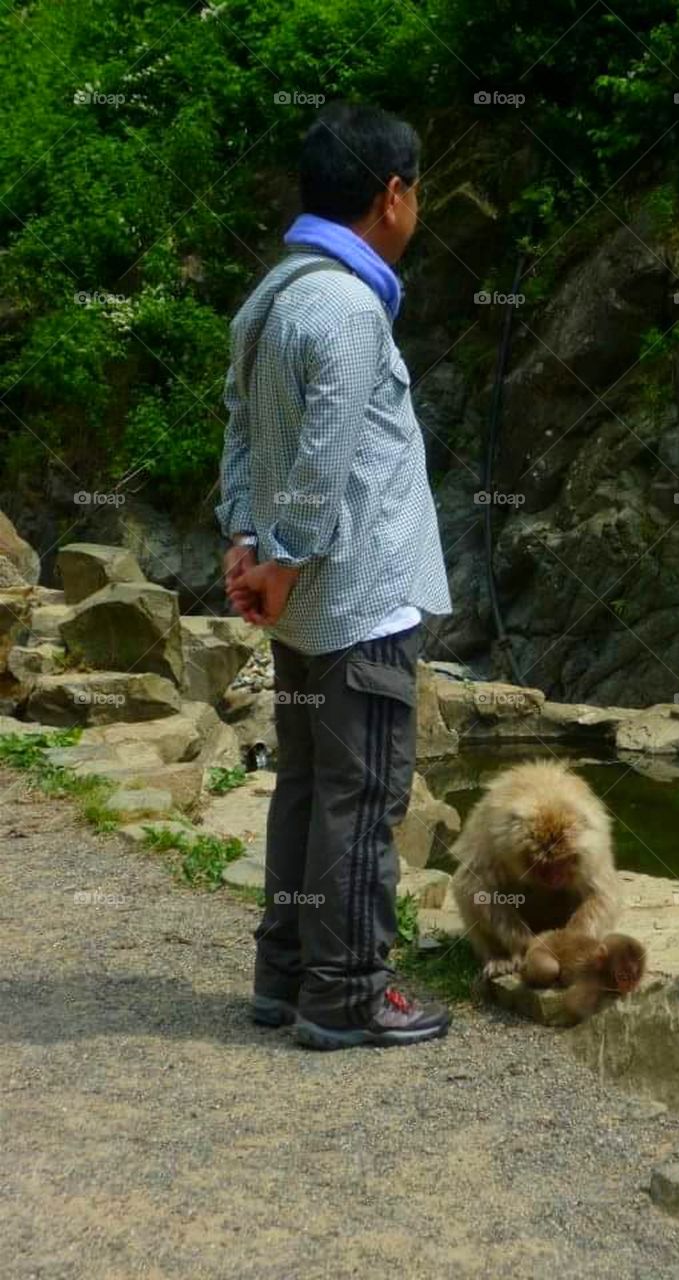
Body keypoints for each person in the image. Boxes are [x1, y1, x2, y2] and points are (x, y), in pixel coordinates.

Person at [215, 101, 452, 1050]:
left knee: (308, 790)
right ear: (393, 195)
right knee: (362, 797)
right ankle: (348, 992)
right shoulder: (352, 306)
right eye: (417, 191)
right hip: (359, 597)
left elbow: (241, 431)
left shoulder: (272, 296)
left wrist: (247, 542)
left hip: (305, 603)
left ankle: (286, 976)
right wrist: (281, 559)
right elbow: (321, 455)